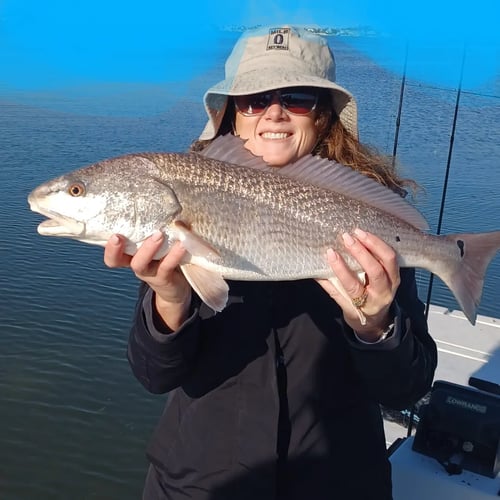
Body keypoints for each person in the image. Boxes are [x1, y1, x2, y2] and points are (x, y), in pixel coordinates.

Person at [104, 25, 437, 500]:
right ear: (232, 117)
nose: (274, 113)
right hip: (200, 486)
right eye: (253, 99)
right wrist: (170, 299)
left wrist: (377, 325)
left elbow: (406, 389)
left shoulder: (370, 221)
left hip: (335, 484)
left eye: (297, 98)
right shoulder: (183, 201)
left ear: (323, 117)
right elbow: (154, 375)